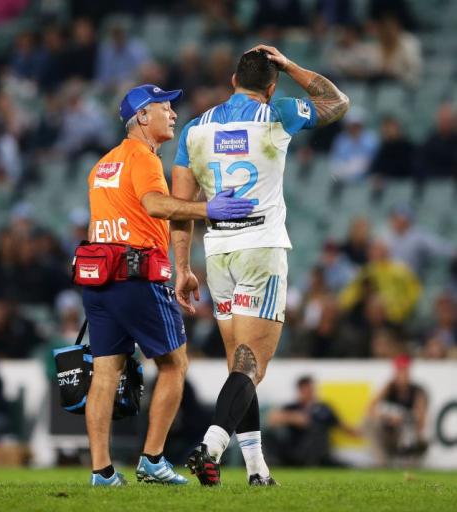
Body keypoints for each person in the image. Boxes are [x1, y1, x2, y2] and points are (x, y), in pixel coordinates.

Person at [170, 45, 349, 486]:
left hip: (218, 255)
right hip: (261, 250)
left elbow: (179, 209)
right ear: (270, 87)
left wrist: (182, 267)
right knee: (253, 365)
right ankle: (209, 445)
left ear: (233, 81)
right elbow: (337, 102)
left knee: (238, 362)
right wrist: (291, 65)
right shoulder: (276, 114)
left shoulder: (195, 129)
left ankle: (256, 470)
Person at [82, 84, 255, 486]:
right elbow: (156, 205)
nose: (173, 113)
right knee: (175, 365)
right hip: (138, 277)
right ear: (142, 117)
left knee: (106, 373)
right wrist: (207, 208)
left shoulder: (102, 165)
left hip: (99, 278)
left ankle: (102, 471)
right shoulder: (143, 158)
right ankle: (152, 460)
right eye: (164, 107)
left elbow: (96, 226)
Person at [266, 376, 360, 466]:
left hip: (318, 451)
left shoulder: (324, 407)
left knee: (317, 431)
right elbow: (272, 419)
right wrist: (294, 418)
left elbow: (341, 426)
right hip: (295, 448)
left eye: (311, 388)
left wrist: (358, 432)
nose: (310, 392)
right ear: (300, 390)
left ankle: (313, 462)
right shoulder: (292, 407)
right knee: (268, 436)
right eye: (306, 388)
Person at [367, 355, 428, 467]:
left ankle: (409, 461)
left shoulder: (417, 391)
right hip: (388, 431)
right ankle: (381, 462)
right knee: (368, 422)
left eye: (404, 371)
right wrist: (388, 417)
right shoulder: (388, 388)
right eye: (399, 371)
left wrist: (404, 418)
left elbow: (421, 420)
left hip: (408, 432)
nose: (402, 375)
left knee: (411, 431)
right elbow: (370, 409)